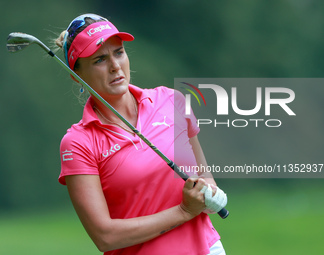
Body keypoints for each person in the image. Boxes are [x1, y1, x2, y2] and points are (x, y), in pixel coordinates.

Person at [55, 13, 227, 255]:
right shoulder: (78, 143)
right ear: (76, 75)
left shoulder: (171, 101)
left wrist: (211, 196)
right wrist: (183, 211)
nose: (115, 66)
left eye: (119, 52)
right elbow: (105, 236)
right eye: (100, 60)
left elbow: (204, 178)